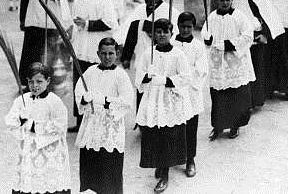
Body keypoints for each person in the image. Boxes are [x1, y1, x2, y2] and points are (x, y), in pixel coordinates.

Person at [135, 19, 191, 193]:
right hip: (153, 99)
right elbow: (139, 76)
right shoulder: (148, 53)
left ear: (171, 33)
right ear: (153, 34)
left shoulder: (178, 54)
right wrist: (146, 76)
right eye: (158, 32)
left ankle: (165, 174)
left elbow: (186, 77)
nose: (161, 35)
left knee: (168, 136)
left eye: (165, 32)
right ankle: (159, 164)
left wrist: (166, 80)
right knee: (154, 135)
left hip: (170, 100)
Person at [74, 37, 133, 194]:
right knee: (90, 166)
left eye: (111, 53)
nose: (107, 57)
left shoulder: (121, 75)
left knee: (109, 168)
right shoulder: (90, 72)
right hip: (91, 127)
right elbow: (79, 90)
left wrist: (105, 100)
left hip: (110, 129)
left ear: (117, 53)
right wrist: (83, 99)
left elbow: (127, 101)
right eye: (104, 53)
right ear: (98, 54)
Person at [5, 62, 71, 194]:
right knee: (28, 183)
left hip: (49, 151)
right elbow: (10, 121)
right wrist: (19, 118)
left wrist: (33, 125)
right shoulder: (21, 100)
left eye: (39, 81)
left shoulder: (54, 101)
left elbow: (60, 126)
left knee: (47, 182)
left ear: (48, 81)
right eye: (31, 82)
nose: (35, 86)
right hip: (28, 150)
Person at [230, 0, 285, 108]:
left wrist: (265, 34)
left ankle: (255, 100)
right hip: (238, 35)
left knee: (256, 68)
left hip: (255, 34)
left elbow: (268, 13)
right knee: (239, 69)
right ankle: (240, 100)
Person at [68, 0, 119, 132]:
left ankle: (98, 121)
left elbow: (111, 23)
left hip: (96, 52)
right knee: (80, 86)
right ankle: (80, 120)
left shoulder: (103, 0)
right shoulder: (77, 1)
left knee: (97, 87)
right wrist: (71, 32)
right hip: (80, 49)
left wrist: (88, 24)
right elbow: (76, 24)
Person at [201, 0, 254, 139]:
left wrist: (228, 45)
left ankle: (234, 125)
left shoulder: (239, 16)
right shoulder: (212, 16)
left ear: (232, 0)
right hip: (218, 63)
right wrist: (207, 38)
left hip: (234, 63)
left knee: (235, 95)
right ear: (217, 1)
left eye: (227, 0)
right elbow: (205, 32)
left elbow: (248, 36)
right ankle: (218, 126)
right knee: (218, 95)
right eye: (221, 0)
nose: (224, 3)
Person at [19, 0, 73, 88]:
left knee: (50, 54)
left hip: (49, 21)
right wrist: (22, 20)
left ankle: (51, 82)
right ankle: (29, 82)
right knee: (31, 54)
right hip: (32, 21)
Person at [171, 12, 208, 177]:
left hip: (190, 92)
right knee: (171, 126)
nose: (185, 30)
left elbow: (201, 70)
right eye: (182, 26)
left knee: (190, 127)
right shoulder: (171, 43)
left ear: (193, 27)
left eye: (189, 27)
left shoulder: (198, 46)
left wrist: (185, 78)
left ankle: (190, 159)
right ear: (177, 26)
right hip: (172, 91)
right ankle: (171, 158)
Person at [118, 0, 180, 70]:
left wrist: (151, 28)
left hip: (161, 59)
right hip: (141, 58)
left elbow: (175, 37)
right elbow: (131, 33)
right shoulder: (140, 9)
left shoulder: (170, 11)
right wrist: (126, 57)